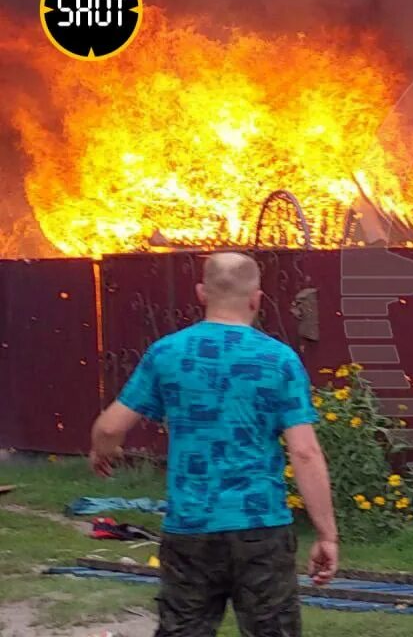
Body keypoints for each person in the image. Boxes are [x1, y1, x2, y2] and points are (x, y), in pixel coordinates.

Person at [89, 252, 338, 637]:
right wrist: (326, 535)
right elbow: (304, 452)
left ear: (202, 293)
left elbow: (109, 427)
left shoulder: (167, 353)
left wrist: (103, 451)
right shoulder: (279, 360)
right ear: (256, 298)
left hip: (191, 528)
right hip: (261, 529)